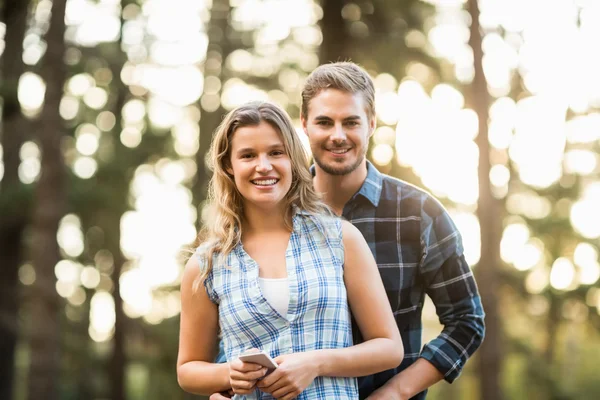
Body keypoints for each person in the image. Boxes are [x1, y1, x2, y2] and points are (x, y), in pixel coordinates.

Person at [177, 101, 404, 400]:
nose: (263, 166)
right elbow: (188, 370)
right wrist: (228, 373)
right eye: (248, 155)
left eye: (275, 152)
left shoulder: (340, 238)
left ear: (292, 159)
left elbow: (389, 347)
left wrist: (316, 363)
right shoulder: (207, 263)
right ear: (229, 165)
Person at [299, 62, 486, 399]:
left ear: (371, 123)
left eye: (351, 122)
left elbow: (466, 321)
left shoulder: (419, 215)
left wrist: (398, 391)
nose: (337, 135)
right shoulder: (281, 214)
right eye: (324, 122)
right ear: (304, 125)